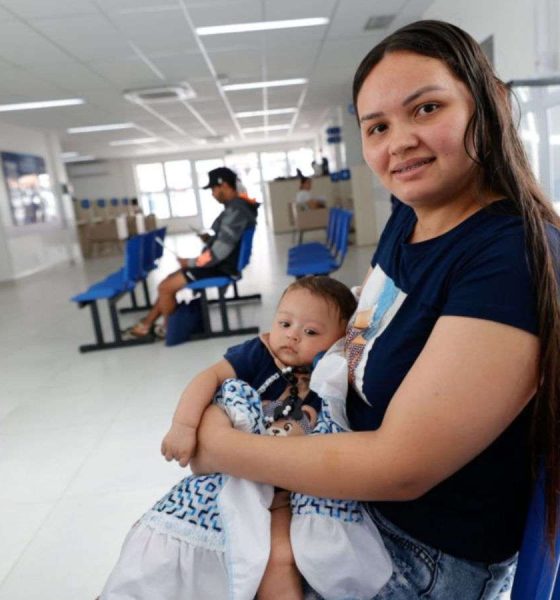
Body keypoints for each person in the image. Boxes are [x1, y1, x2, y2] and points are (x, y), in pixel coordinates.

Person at [189, 20, 560, 599]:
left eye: (426, 108)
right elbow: (363, 326)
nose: (399, 142)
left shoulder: (506, 255)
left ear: (485, 108)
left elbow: (402, 466)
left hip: (422, 555)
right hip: (355, 505)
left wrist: (222, 449)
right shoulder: (410, 218)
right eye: (377, 127)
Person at [100, 277, 388, 600]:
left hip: (287, 492)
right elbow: (209, 378)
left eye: (310, 332)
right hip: (242, 476)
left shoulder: (330, 377)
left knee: (280, 558)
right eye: (285, 323)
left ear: (336, 341)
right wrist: (183, 425)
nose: (292, 335)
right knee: (168, 544)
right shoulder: (258, 354)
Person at [128, 167, 258, 338]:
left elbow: (219, 253)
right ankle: (146, 324)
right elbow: (226, 242)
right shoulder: (239, 207)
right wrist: (209, 240)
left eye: (214, 189)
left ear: (224, 185)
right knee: (168, 281)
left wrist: (189, 262)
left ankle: (169, 330)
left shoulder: (236, 210)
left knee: (165, 287)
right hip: (221, 263)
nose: (212, 193)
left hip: (221, 266)